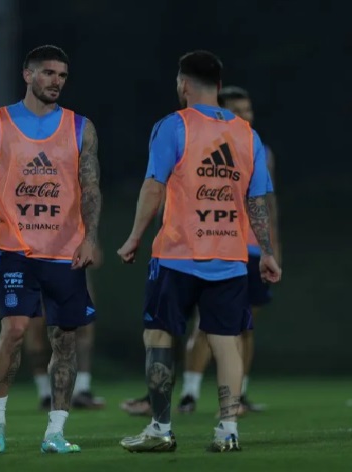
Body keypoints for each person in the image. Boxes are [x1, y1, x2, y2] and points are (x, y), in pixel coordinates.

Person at [116, 50, 281, 453]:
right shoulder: (248, 135)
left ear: (183, 84)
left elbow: (153, 186)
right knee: (226, 341)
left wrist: (134, 236)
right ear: (219, 86)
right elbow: (258, 201)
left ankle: (160, 428)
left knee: (159, 334)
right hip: (230, 256)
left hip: (177, 254)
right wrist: (267, 252)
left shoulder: (173, 126)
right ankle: (228, 431)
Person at [0, 45, 102, 455]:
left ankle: (55, 432)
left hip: (65, 251)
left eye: (62, 75)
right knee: (14, 330)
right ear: (28, 75)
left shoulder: (81, 127)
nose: (56, 81)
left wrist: (90, 238)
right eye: (48, 73)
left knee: (66, 339)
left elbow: (91, 187)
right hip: (16, 248)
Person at [177, 85, 281, 415]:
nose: (245, 117)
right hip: (215, 243)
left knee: (245, 325)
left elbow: (267, 201)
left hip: (252, 248)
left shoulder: (259, 148)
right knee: (205, 321)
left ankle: (240, 394)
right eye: (237, 111)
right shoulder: (199, 145)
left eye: (248, 110)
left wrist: (273, 246)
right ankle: (189, 394)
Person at [24, 271, 106, 411]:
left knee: (83, 325)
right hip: (37, 264)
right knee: (36, 328)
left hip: (72, 264)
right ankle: (46, 394)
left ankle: (82, 390)